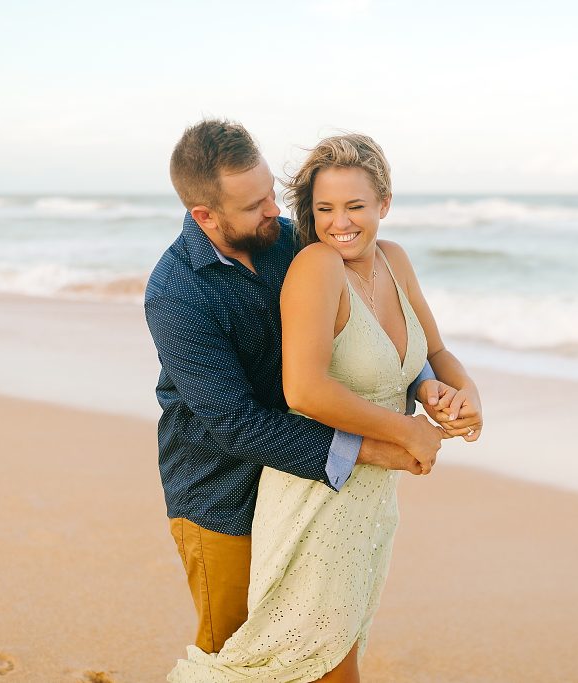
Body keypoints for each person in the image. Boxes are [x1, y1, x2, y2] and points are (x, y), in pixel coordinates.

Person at [144, 120, 469, 661]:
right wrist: (376, 447)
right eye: (253, 205)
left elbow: (362, 334)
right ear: (205, 216)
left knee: (313, 649)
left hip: (311, 487)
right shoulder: (177, 292)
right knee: (239, 653)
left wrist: (428, 383)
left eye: (270, 191)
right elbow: (235, 423)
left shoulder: (289, 242)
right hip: (221, 495)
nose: (274, 209)